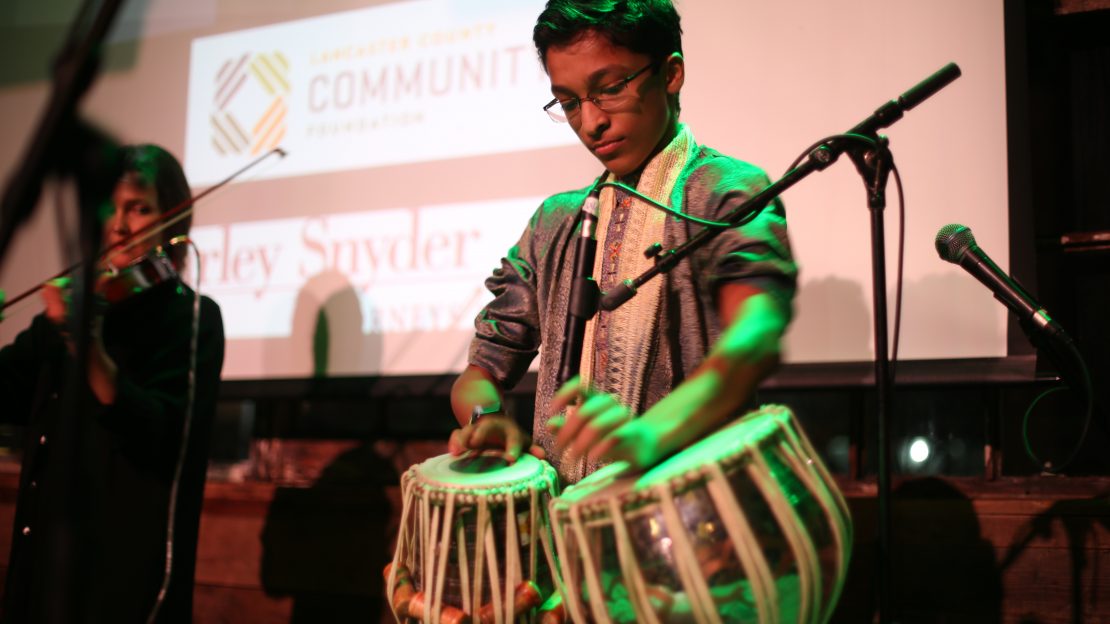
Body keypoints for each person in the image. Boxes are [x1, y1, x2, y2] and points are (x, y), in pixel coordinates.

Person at [448, 0, 796, 484]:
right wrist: (484, 421)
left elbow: (756, 334)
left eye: (609, 89)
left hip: (690, 518)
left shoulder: (723, 191)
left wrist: (650, 434)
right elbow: (481, 371)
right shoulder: (556, 221)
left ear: (671, 74)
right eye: (569, 102)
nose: (591, 123)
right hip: (564, 524)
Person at [0, 144, 225, 623]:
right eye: (111, 208)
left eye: (139, 208)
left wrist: (87, 344)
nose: (119, 226)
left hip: (120, 589)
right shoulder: (68, 315)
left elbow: (160, 435)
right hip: (41, 580)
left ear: (174, 220)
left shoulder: (193, 320)